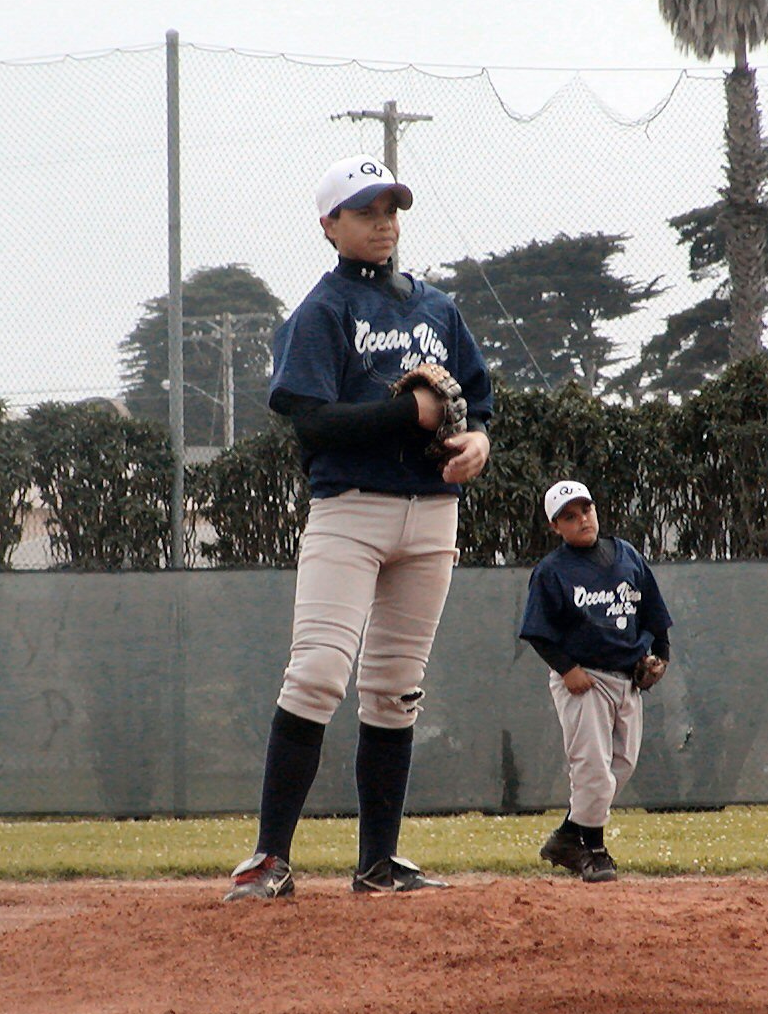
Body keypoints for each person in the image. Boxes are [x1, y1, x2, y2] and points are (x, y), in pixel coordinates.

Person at [224, 154, 493, 901]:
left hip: (433, 513)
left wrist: (478, 441)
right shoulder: (322, 312)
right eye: (366, 211)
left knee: (397, 689)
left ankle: (379, 863)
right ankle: (269, 859)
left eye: (391, 210)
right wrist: (410, 413)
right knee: (316, 674)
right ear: (329, 224)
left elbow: (477, 402)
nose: (383, 223)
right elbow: (313, 424)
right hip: (350, 511)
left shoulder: (438, 309)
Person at [518, 480, 673, 882]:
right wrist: (567, 669)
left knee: (622, 765)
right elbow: (537, 631)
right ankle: (594, 850)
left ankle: (568, 836)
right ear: (556, 526)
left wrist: (661, 656)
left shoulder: (627, 556)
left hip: (628, 679)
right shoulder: (552, 571)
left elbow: (654, 615)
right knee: (592, 768)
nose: (582, 519)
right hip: (584, 679)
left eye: (585, 510)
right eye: (569, 516)